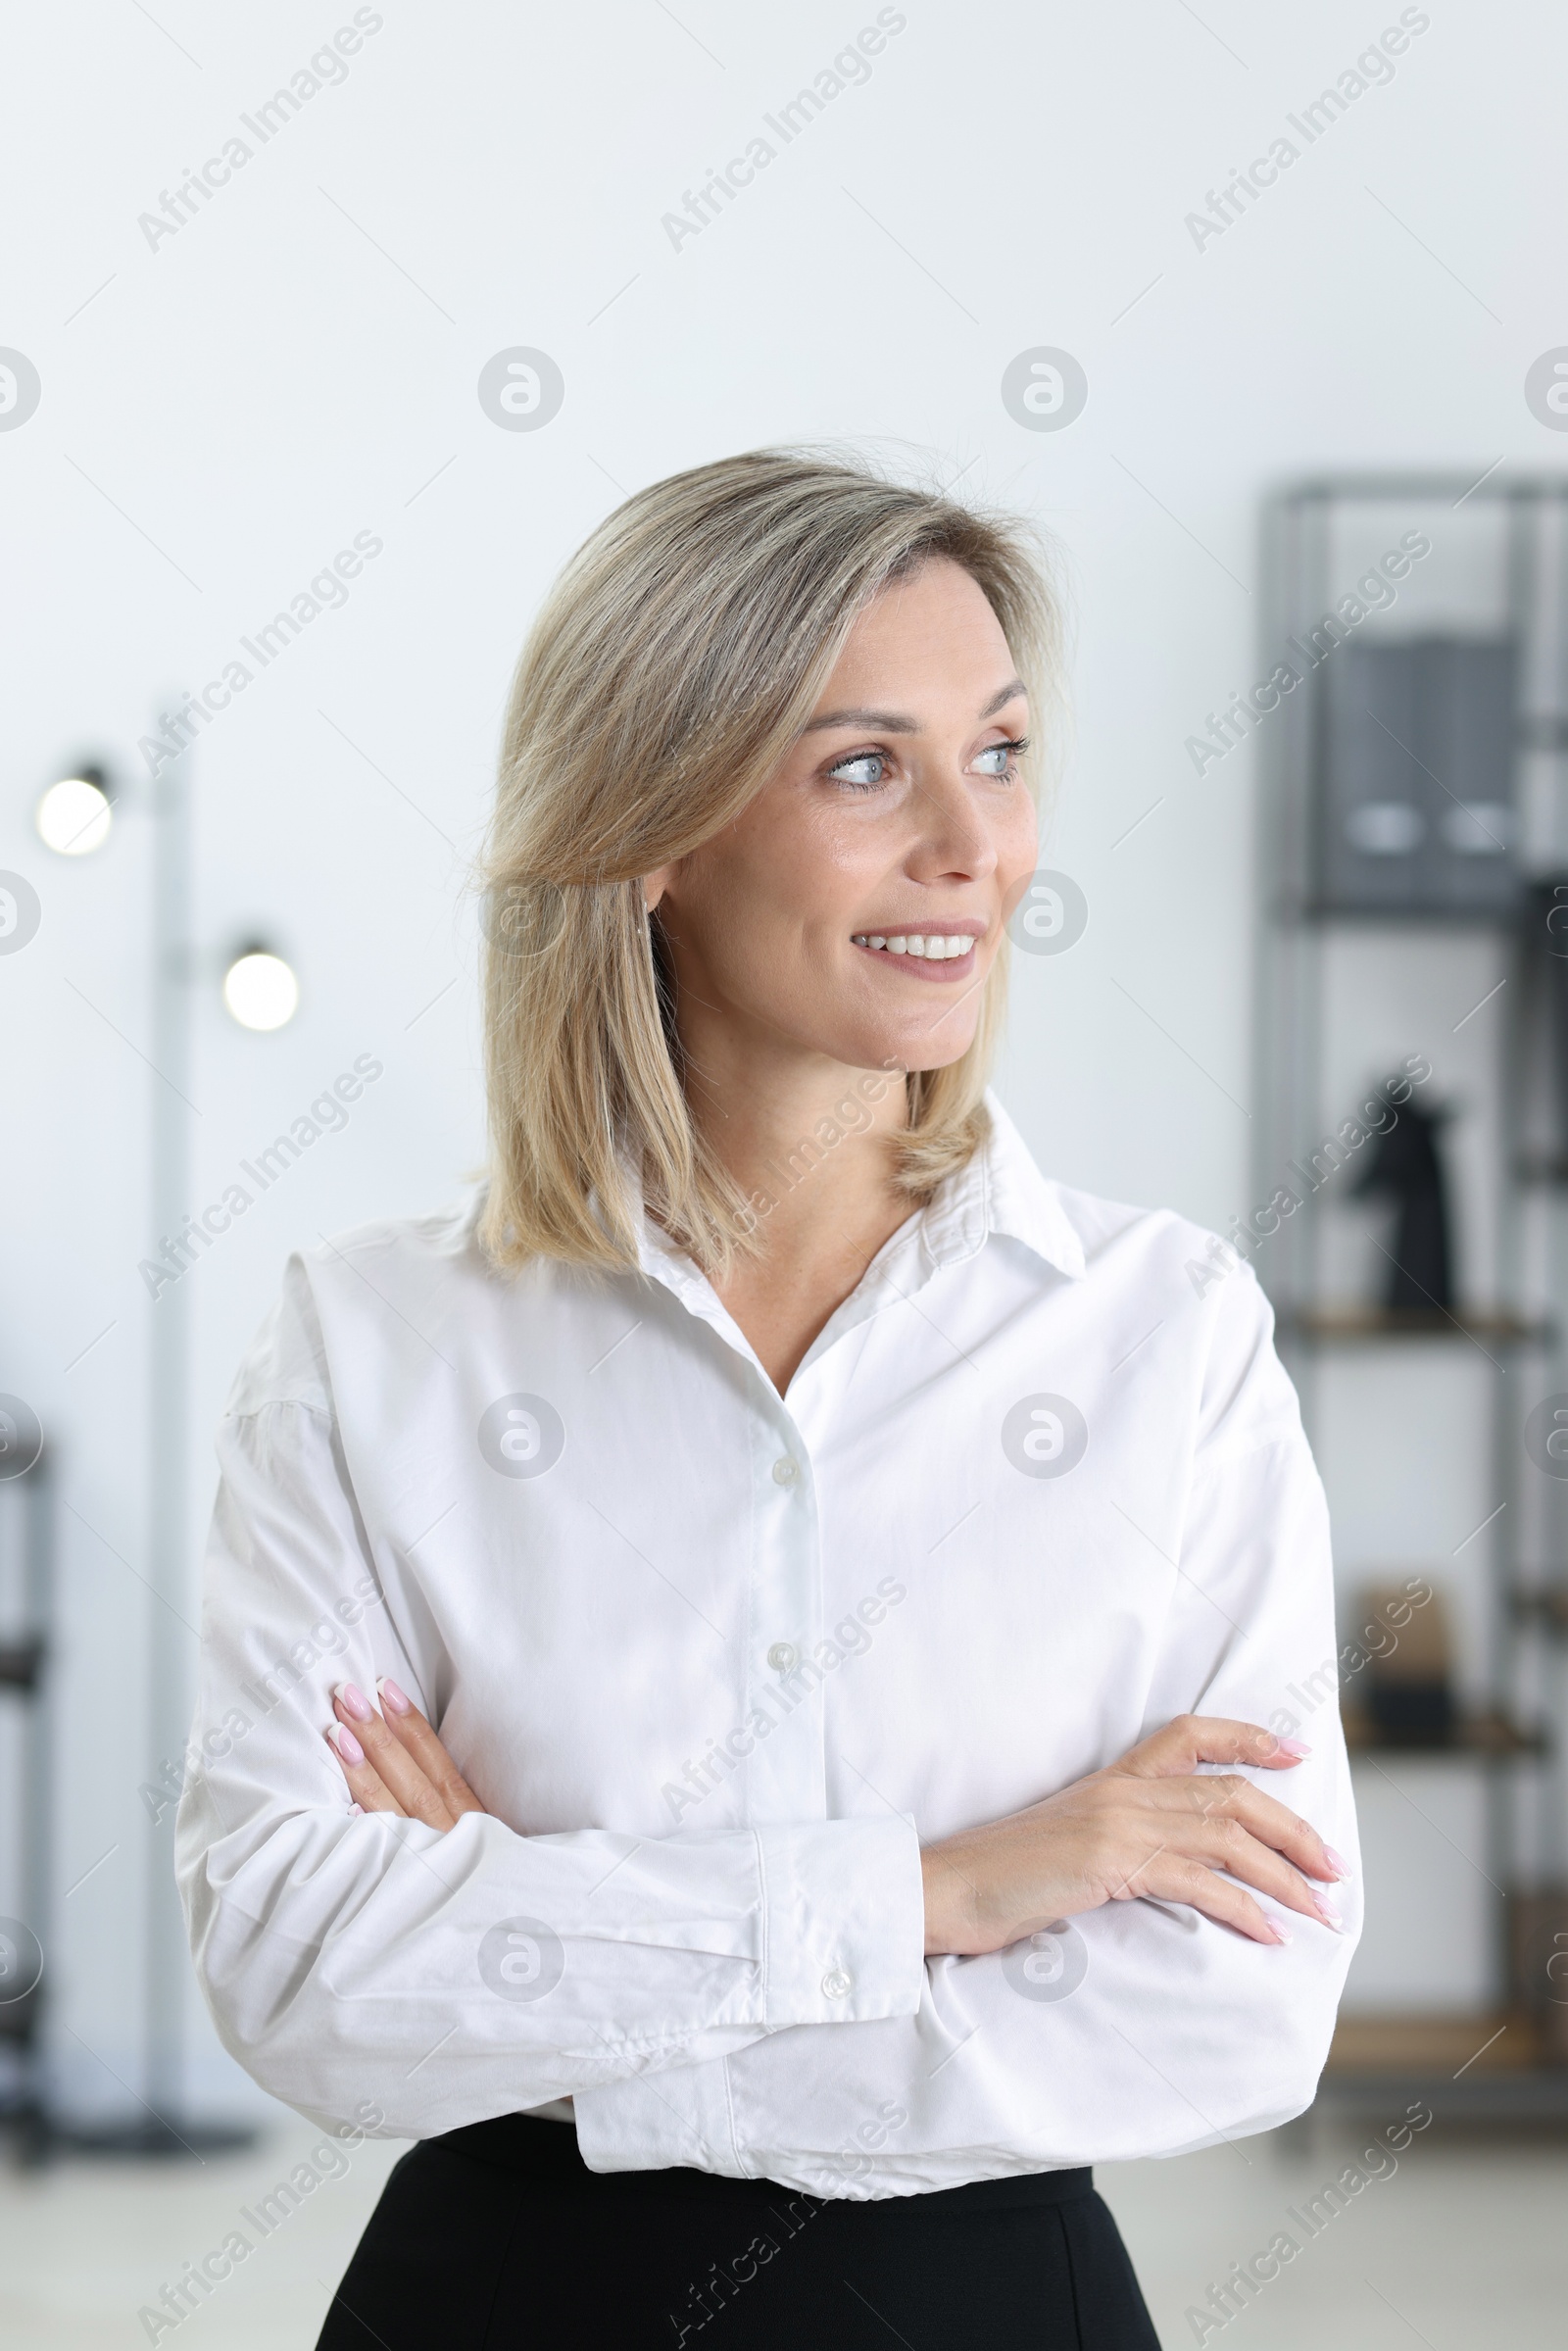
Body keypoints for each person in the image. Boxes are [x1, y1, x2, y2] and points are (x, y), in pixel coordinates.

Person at [175, 450, 1359, 2348]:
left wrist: (540, 1950)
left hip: (991, 2307)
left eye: (996, 749)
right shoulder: (377, 1339)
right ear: (653, 827)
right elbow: (302, 1971)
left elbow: (1225, 2010)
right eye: (861, 764)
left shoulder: (1164, 1338)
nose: (972, 847)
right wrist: (950, 1889)